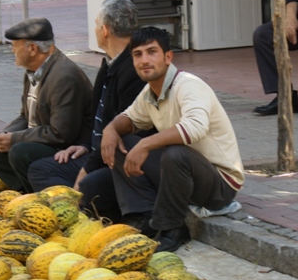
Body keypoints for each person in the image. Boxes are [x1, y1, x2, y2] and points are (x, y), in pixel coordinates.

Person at [101, 27, 245, 253]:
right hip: (187, 176)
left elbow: (195, 128)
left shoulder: (188, 85)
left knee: (175, 154)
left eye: (152, 52)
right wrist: (110, 130)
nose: (144, 60)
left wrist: (146, 144)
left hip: (220, 184)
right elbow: (130, 117)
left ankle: (173, 229)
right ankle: (147, 216)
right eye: (138, 55)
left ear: (168, 57)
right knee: (123, 142)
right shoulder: (150, 91)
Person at [27, 0, 147, 221]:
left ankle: (88, 212)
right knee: (40, 169)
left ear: (104, 30)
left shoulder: (133, 69)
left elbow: (120, 131)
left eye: (95, 24)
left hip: (120, 160)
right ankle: (73, 207)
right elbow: (98, 118)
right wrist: (83, 145)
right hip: (96, 154)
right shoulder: (110, 62)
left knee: (89, 185)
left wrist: (85, 171)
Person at [0, 17, 93, 192]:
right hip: (39, 138)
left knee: (19, 151)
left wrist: (14, 139)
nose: (12, 50)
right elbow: (25, 116)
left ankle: (34, 192)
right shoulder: (33, 71)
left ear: (32, 48)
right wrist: (5, 135)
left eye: (15, 45)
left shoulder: (64, 76)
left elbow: (61, 134)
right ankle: (22, 187)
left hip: (65, 149)